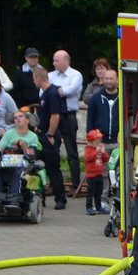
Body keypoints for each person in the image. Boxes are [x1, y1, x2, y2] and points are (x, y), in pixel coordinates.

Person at [33, 65, 67, 209]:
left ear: (38, 79)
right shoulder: (44, 93)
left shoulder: (52, 93)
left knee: (53, 167)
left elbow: (55, 115)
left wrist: (50, 134)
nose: (34, 82)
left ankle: (60, 199)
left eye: (34, 79)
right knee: (38, 167)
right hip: (41, 134)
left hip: (49, 136)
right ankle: (40, 197)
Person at [49, 50, 83, 192]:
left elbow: (70, 91)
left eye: (57, 60)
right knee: (52, 150)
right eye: (54, 60)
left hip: (69, 115)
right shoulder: (50, 75)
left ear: (66, 61)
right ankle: (54, 185)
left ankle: (75, 185)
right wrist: (59, 91)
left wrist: (54, 91)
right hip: (54, 115)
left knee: (72, 151)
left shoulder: (76, 75)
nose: (54, 63)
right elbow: (42, 92)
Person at [0, 111, 41, 200]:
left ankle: (14, 198)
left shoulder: (33, 136)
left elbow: (31, 155)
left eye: (20, 116)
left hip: (24, 162)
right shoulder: (9, 133)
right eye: (15, 117)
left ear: (27, 120)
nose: (17, 119)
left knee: (18, 172)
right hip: (7, 161)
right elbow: (0, 148)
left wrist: (23, 145)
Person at [83, 129, 110, 215]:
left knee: (99, 192)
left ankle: (98, 207)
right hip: (91, 176)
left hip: (99, 174)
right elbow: (88, 158)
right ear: (90, 142)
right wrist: (96, 152)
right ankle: (89, 207)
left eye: (99, 142)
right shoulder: (88, 149)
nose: (98, 144)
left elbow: (106, 159)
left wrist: (103, 152)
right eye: (96, 143)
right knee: (90, 193)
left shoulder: (99, 150)